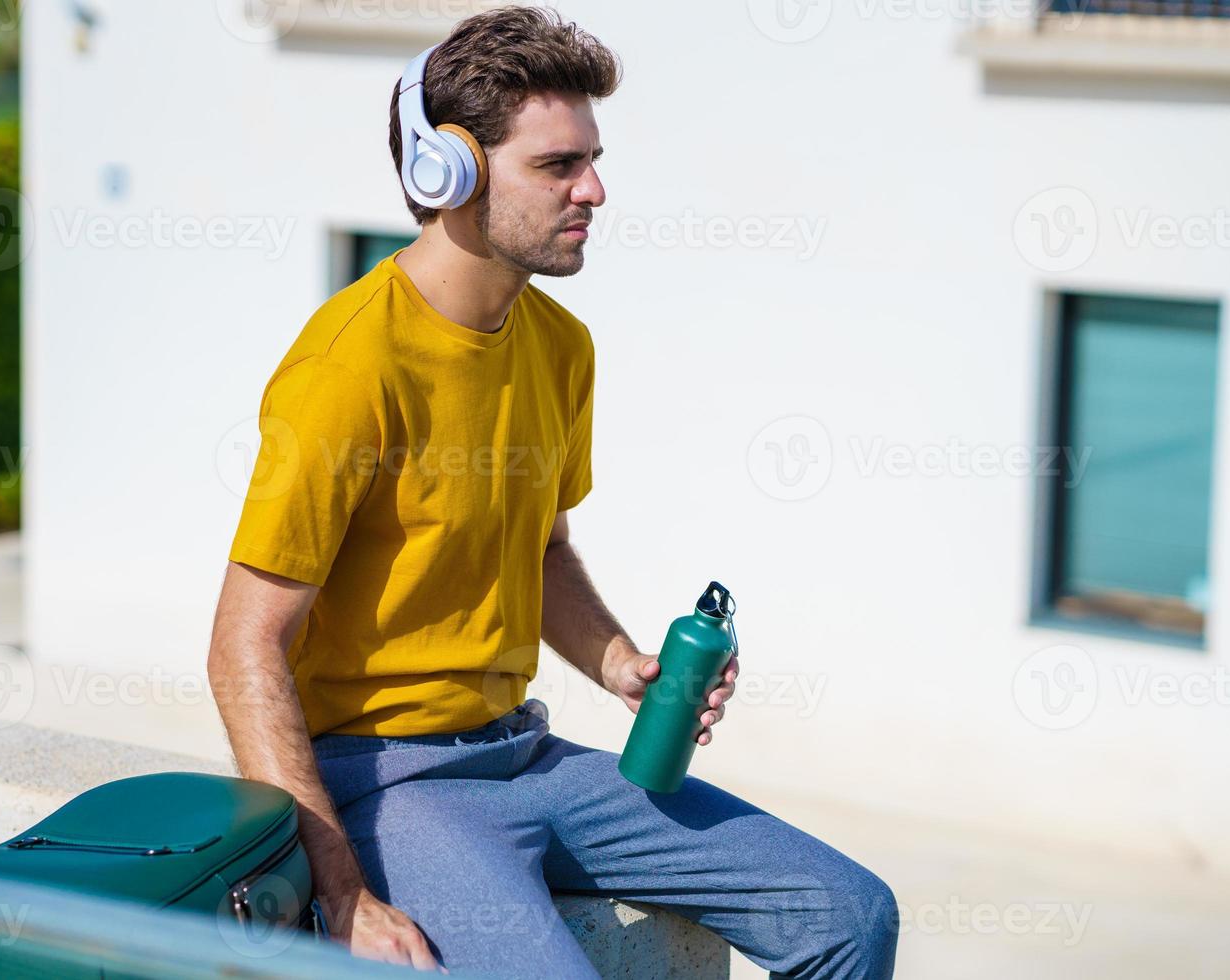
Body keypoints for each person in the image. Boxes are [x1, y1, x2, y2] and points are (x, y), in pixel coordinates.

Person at [206, 8, 897, 978]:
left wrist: (621, 662)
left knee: (852, 912)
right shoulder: (345, 369)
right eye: (558, 165)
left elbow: (541, 550)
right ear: (448, 172)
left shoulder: (560, 346)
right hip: (390, 782)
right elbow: (243, 643)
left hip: (526, 754)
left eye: (593, 158)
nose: (596, 189)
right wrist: (342, 887)